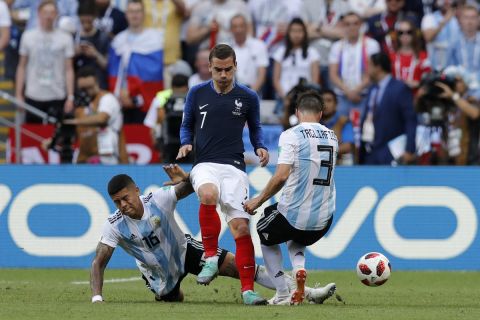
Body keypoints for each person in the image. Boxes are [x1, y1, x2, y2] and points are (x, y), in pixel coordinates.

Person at [90, 167, 336, 304]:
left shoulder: (158, 199)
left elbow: (189, 187)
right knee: (174, 299)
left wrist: (186, 177)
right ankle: (170, 291)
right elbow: (98, 262)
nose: (122, 205)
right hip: (157, 273)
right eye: (117, 202)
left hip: (186, 250)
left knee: (241, 267)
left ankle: (306, 292)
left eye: (125, 198)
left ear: (136, 190)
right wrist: (97, 297)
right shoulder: (114, 225)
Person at [177, 44, 269, 305]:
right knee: (208, 194)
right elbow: (186, 124)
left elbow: (256, 128)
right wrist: (186, 143)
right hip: (205, 163)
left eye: (228, 69)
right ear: (209, 67)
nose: (224, 74)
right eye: (218, 69)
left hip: (234, 168)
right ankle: (210, 258)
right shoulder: (196, 93)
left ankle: (248, 292)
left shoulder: (248, 97)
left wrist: (260, 146)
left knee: (241, 228)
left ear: (235, 66)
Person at [244, 90, 338, 305]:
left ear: (296, 112)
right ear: (321, 114)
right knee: (297, 238)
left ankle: (283, 293)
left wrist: (257, 200)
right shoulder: (333, 137)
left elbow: (281, 176)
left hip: (295, 215)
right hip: (324, 220)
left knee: (264, 231)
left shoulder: (291, 134)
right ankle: (299, 270)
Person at [15, 0, 75, 123]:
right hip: (33, 94)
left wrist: (70, 96)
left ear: (57, 14)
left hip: (57, 94)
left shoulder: (65, 38)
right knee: (33, 135)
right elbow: (22, 66)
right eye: (45, 12)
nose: (48, 16)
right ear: (38, 13)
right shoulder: (28, 36)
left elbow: (69, 69)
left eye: (52, 12)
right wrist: (18, 94)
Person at [359, 52, 417, 165]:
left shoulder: (400, 88)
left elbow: (410, 120)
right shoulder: (372, 89)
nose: (367, 69)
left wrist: (410, 149)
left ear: (378, 67)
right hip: (370, 150)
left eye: (370, 65)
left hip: (392, 151)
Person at [64, 66, 127, 165]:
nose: (87, 92)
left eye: (90, 87)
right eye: (83, 89)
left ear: (97, 82)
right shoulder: (80, 108)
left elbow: (102, 118)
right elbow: (74, 134)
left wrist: (74, 122)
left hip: (109, 160)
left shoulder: (107, 98)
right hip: (84, 160)